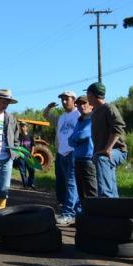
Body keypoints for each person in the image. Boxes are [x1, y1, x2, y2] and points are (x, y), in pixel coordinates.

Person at [44, 90, 81, 225]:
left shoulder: (79, 114)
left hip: (73, 152)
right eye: (62, 99)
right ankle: (77, 213)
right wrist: (49, 107)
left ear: (74, 100)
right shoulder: (61, 117)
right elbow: (46, 116)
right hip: (61, 153)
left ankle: (68, 214)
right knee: (67, 184)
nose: (64, 102)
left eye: (67, 99)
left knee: (72, 183)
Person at [86, 82, 128, 197]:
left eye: (88, 94)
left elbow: (118, 128)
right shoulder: (94, 112)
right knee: (109, 177)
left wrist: (108, 149)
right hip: (102, 153)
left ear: (92, 95)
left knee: (102, 159)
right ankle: (115, 206)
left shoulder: (109, 108)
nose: (87, 97)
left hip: (118, 151)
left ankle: (105, 200)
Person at [68, 95, 97, 201]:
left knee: (91, 192)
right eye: (79, 104)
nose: (81, 106)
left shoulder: (94, 119)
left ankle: (95, 215)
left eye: (84, 103)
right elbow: (70, 141)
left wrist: (76, 137)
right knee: (81, 193)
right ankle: (86, 215)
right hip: (78, 159)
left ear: (91, 105)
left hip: (89, 160)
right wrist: (77, 137)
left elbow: (83, 134)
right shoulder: (79, 121)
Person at [15, 123, 36, 190]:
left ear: (27, 128)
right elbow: (16, 145)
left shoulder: (30, 136)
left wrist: (31, 154)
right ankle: (25, 185)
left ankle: (30, 183)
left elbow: (33, 146)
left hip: (29, 155)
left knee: (32, 170)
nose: (22, 128)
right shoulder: (18, 136)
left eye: (23, 126)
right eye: (21, 126)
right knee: (22, 171)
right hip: (21, 155)